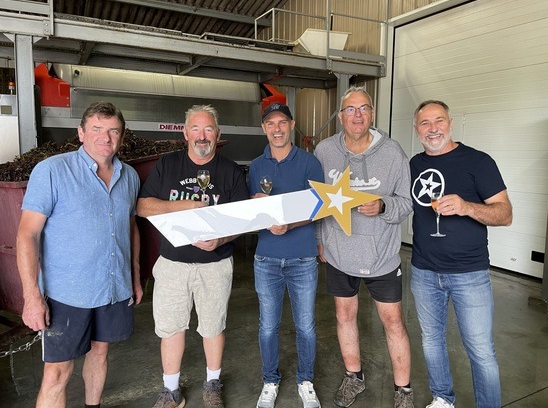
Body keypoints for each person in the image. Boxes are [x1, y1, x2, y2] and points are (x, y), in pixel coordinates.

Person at [16, 102, 142, 408]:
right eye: (97, 129)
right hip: (67, 294)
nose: (106, 137)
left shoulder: (130, 176)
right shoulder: (52, 171)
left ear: (122, 137)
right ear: (81, 133)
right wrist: (32, 296)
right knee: (57, 373)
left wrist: (135, 276)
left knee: (100, 351)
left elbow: (130, 227)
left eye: (113, 130)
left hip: (112, 288)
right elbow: (27, 234)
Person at [137, 104, 249, 408]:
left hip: (215, 265)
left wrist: (221, 239)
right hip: (173, 264)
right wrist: (183, 206)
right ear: (185, 133)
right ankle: (171, 390)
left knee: (213, 326)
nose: (202, 136)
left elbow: (242, 220)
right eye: (196, 129)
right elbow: (143, 207)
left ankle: (212, 383)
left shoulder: (230, 171)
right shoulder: (167, 165)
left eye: (208, 129)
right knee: (171, 327)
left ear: (218, 134)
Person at [314, 86, 415, 408]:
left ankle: (404, 391)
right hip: (338, 252)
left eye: (363, 109)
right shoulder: (325, 150)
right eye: (350, 110)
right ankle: (353, 377)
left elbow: (407, 203)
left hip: (381, 256)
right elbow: (316, 202)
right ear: (340, 116)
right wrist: (320, 242)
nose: (357, 115)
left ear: (372, 114)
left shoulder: (393, 152)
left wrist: (384, 206)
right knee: (345, 316)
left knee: (393, 321)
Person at [410, 100, 512, 408]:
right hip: (424, 271)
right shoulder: (413, 164)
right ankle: (443, 397)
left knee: (481, 350)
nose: (433, 128)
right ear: (417, 130)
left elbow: (505, 214)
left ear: (451, 123)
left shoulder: (478, 162)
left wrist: (467, 207)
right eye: (425, 123)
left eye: (438, 120)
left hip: (470, 273)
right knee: (431, 342)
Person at [248, 103, 325, 408]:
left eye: (282, 122)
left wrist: (290, 223)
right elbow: (251, 213)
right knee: (268, 326)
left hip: (302, 257)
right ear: (263, 128)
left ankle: (305, 380)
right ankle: (270, 380)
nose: (277, 128)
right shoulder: (256, 165)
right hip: (266, 257)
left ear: (292, 124)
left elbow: (320, 206)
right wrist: (255, 207)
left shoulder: (309, 162)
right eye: (270, 123)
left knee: (305, 325)